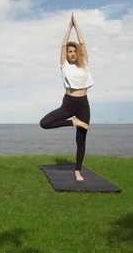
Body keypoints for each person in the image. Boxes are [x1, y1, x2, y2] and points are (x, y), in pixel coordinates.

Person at [40, 13, 93, 181]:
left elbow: (83, 44)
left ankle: (78, 171)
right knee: (44, 123)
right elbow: (63, 45)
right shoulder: (64, 66)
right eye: (69, 51)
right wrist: (68, 28)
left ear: (78, 53)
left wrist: (77, 27)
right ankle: (73, 122)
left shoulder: (85, 64)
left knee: (81, 140)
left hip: (83, 103)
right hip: (68, 103)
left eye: (74, 50)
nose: (71, 53)